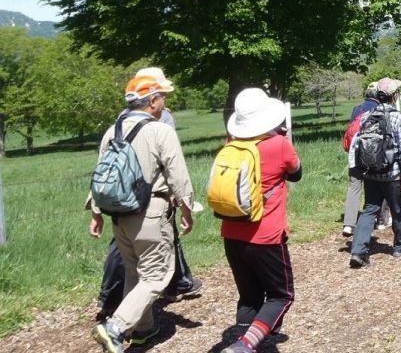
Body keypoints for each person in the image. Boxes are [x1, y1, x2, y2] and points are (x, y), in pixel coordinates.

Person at [89, 73, 195, 353]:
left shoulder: (113, 131)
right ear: (153, 101)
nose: (165, 102)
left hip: (119, 217)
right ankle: (116, 327)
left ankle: (143, 330)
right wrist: (187, 207)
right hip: (151, 214)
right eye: (163, 97)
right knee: (156, 275)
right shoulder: (160, 131)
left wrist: (96, 213)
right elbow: (178, 175)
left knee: (135, 274)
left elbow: (101, 175)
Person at [219, 88, 302, 353]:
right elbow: (296, 173)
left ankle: (241, 342)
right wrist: (284, 139)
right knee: (281, 295)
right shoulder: (279, 144)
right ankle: (245, 344)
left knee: (249, 297)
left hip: (232, 232)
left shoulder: (231, 144)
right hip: (266, 235)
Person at [349, 77, 401, 267]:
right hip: (392, 174)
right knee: (398, 209)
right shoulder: (398, 117)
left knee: (370, 209)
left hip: (370, 173)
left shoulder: (366, 116)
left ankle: (358, 251)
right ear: (394, 96)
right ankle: (400, 247)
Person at [341, 82, 392, 237]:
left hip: (355, 153)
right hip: (373, 155)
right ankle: (380, 219)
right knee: (379, 186)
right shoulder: (379, 109)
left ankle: (349, 224)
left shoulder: (357, 109)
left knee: (354, 187)